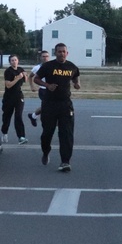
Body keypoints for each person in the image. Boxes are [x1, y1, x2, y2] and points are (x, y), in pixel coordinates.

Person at [33, 43, 80, 172]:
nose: (62, 54)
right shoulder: (48, 66)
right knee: (47, 133)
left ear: (67, 53)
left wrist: (77, 84)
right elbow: (36, 79)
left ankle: (65, 161)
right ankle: (46, 151)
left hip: (65, 104)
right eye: (59, 51)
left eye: (64, 51)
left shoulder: (72, 67)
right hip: (49, 104)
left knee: (66, 134)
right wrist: (47, 85)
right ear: (55, 53)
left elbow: (76, 78)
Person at [1, 55, 29, 145]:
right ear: (10, 62)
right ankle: (4, 132)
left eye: (15, 60)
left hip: (18, 96)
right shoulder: (8, 72)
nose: (14, 62)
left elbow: (26, 80)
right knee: (7, 117)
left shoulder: (20, 69)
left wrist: (25, 75)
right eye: (12, 60)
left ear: (18, 61)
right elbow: (8, 85)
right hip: (9, 97)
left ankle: (21, 137)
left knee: (18, 116)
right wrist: (17, 78)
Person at [27, 50, 50, 127]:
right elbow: (30, 77)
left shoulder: (52, 66)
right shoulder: (37, 68)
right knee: (48, 106)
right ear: (40, 58)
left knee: (47, 107)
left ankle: (33, 116)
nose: (45, 58)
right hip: (43, 90)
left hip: (51, 89)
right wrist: (32, 86)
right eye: (43, 56)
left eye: (47, 56)